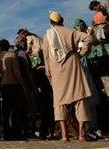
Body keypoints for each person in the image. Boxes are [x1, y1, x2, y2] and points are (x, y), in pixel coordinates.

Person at [42, 11, 93, 142]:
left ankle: (64, 136)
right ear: (61, 20)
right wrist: (81, 53)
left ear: (51, 22)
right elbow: (88, 38)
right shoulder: (70, 31)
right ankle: (82, 135)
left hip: (56, 70)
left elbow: (46, 58)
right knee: (79, 98)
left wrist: (49, 75)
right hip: (73, 66)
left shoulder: (47, 36)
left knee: (59, 101)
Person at [0, 39, 25, 140]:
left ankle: (7, 133)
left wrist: (1, 80)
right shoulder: (12, 55)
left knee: (5, 112)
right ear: (8, 46)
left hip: (4, 86)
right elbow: (16, 72)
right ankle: (16, 133)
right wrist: (22, 84)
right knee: (15, 111)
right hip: (14, 85)